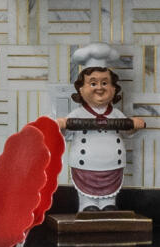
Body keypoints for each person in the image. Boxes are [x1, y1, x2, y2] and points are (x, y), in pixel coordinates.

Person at [62, 43, 144, 212]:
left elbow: (127, 132)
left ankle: (109, 204)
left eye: (105, 83)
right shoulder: (77, 115)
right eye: (93, 83)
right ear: (81, 89)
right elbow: (65, 133)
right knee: (88, 203)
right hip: (84, 166)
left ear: (114, 89)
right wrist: (61, 125)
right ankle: (86, 205)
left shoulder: (116, 115)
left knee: (109, 200)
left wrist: (134, 125)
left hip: (113, 166)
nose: (99, 88)